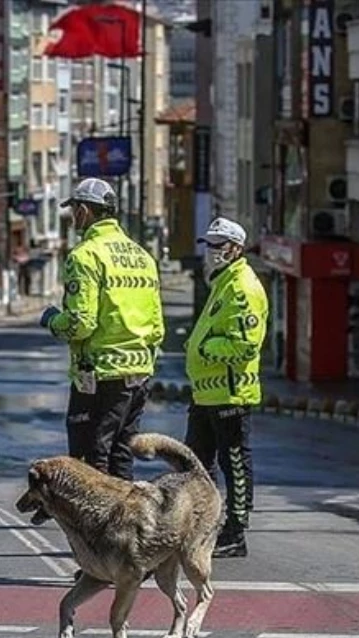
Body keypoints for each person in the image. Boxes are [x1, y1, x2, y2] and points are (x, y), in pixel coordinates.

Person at [39, 177, 165, 481]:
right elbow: (158, 327)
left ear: (84, 211)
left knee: (90, 458)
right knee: (121, 453)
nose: (72, 218)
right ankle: (128, 522)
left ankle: (99, 526)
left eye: (74, 212)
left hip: (99, 376)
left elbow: (81, 324)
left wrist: (52, 321)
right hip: (139, 375)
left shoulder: (85, 256)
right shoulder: (142, 257)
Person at [184, 217, 269, 558]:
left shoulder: (242, 287)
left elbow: (246, 345)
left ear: (236, 248)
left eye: (218, 245)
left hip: (230, 392)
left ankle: (236, 532)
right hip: (206, 393)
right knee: (195, 462)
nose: (212, 251)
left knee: (234, 461)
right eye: (209, 244)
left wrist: (204, 349)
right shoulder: (223, 282)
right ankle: (202, 525)